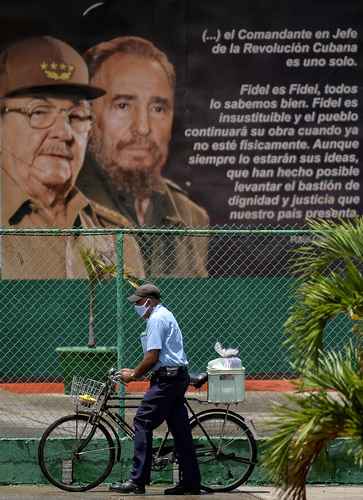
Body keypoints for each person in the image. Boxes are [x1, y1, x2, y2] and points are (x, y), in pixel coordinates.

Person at [0, 36, 144, 280]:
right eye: (39, 112)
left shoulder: (115, 236)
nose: (65, 133)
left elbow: (129, 318)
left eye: (76, 116)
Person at [77, 36, 209, 277]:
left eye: (158, 108)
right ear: (86, 114)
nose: (143, 127)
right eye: (123, 105)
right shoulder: (63, 209)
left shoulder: (191, 217)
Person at [111, 282, 201, 495]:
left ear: (148, 302)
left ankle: (137, 480)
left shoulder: (156, 319)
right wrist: (134, 371)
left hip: (167, 380)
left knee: (142, 421)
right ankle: (190, 481)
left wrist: (133, 375)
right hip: (176, 377)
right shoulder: (165, 315)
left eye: (139, 303)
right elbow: (157, 357)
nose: (137, 307)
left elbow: (152, 357)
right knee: (180, 431)